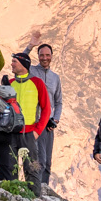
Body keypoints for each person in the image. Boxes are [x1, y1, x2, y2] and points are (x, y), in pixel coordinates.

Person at [9, 52, 54, 192]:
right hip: (11, 133)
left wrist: (37, 131)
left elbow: (46, 109)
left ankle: (35, 200)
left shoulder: (37, 83)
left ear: (23, 64)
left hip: (29, 133)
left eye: (14, 61)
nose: (12, 64)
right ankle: (12, 198)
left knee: (32, 168)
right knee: (11, 168)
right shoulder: (10, 83)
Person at [33, 44, 64, 185]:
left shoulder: (55, 78)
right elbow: (19, 61)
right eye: (41, 55)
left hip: (49, 125)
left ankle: (44, 190)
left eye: (47, 55)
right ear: (38, 56)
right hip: (35, 122)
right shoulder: (31, 70)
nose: (44, 58)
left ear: (51, 56)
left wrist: (55, 120)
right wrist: (29, 46)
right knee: (39, 160)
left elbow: (59, 102)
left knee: (48, 162)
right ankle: (36, 190)